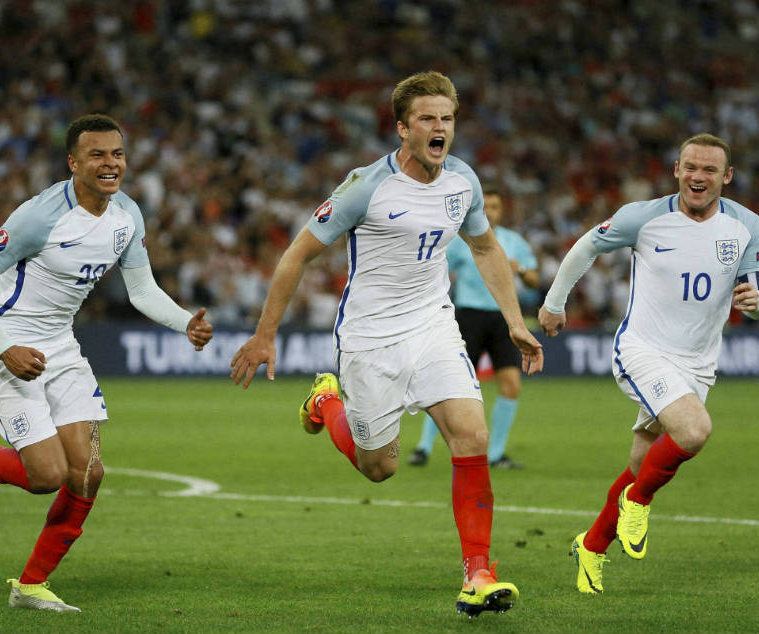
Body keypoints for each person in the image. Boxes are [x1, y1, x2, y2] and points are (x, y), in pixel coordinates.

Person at [230, 71, 544, 618]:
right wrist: (265, 334)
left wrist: (515, 321)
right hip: (371, 339)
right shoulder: (365, 186)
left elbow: (487, 249)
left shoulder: (462, 182)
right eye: (427, 118)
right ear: (403, 128)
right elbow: (297, 255)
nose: (439, 127)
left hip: (435, 327)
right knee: (380, 468)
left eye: (446, 118)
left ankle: (478, 572)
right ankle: (327, 402)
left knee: (471, 434)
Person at [0, 114, 213, 612]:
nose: (110, 164)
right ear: (73, 163)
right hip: (6, 346)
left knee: (88, 473)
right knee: (46, 476)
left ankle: (29, 586)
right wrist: (4, 346)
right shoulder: (40, 216)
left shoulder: (127, 215)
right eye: (97, 155)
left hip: (61, 348)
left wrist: (184, 324)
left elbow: (141, 289)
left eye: (117, 154)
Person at [537, 133, 759, 595]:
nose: (697, 177)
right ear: (676, 170)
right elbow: (587, 245)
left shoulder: (747, 226)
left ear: (726, 177)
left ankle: (592, 545)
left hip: (698, 363)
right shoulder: (643, 217)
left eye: (708, 170)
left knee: (641, 462)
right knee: (694, 431)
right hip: (643, 350)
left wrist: (757, 302)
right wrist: (554, 302)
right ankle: (637, 501)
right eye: (690, 167)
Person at [408, 185, 539, 469]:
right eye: (485, 207)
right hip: (469, 317)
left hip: (503, 319)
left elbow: (534, 282)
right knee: (449, 385)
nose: (490, 211)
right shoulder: (461, 241)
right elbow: (436, 268)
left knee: (511, 385)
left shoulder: (515, 242)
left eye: (495, 206)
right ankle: (423, 447)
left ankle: (496, 454)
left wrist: (522, 271)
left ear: (502, 210)